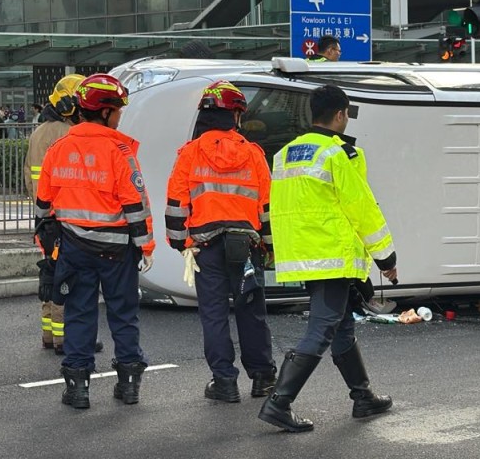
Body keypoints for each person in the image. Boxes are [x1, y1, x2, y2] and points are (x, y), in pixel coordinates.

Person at [258, 84, 396, 432]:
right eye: (346, 113)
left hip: (304, 255)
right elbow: (361, 207)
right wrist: (385, 257)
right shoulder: (339, 154)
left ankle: (362, 396)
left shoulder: (286, 153)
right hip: (332, 254)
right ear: (340, 114)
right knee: (321, 329)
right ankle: (279, 403)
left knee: (341, 325)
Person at [35, 73, 154, 409]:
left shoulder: (59, 149)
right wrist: (146, 246)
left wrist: (48, 243)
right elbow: (136, 205)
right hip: (117, 250)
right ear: (105, 112)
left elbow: (44, 206)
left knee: (78, 315)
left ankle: (77, 389)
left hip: (74, 248)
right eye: (117, 109)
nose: (120, 116)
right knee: (123, 315)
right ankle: (129, 385)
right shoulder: (119, 150)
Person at [165, 80, 276, 403]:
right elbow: (266, 208)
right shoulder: (253, 154)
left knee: (213, 315)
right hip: (246, 248)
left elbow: (176, 203)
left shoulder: (189, 154)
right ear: (236, 115)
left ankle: (224, 382)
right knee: (251, 312)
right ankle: (263, 378)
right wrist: (269, 248)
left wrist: (179, 242)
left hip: (206, 247)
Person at [23, 74, 102, 356]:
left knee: (48, 273)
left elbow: (28, 179)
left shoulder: (38, 133)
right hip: (65, 219)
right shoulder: (69, 136)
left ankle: (49, 334)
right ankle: (66, 338)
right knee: (68, 279)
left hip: (43, 217)